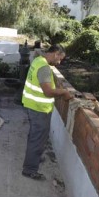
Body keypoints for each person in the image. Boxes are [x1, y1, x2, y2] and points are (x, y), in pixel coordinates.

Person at [21, 44, 73, 181]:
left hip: (33, 106)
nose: (59, 62)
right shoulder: (44, 67)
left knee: (35, 136)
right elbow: (48, 92)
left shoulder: (38, 60)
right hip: (39, 109)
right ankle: (30, 169)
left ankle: (34, 157)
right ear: (55, 53)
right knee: (37, 138)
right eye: (60, 58)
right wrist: (64, 92)